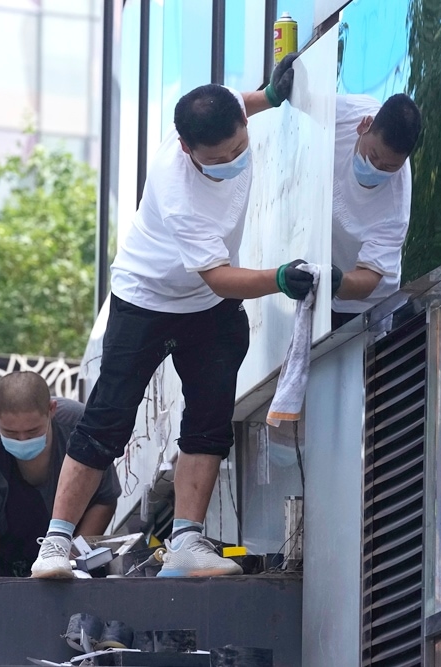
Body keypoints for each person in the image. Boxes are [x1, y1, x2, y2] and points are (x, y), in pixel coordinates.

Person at [30, 56, 316, 579]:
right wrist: (278, 278)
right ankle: (54, 545)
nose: (234, 158)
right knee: (107, 420)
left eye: (239, 146)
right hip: (146, 298)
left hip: (205, 310)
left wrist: (270, 98)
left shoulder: (225, 113)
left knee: (210, 417)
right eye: (220, 157)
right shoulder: (178, 188)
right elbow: (220, 277)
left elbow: (242, 104)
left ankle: (186, 542)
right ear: (187, 149)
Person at [0, 371, 120, 577]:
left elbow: (104, 500)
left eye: (32, 431)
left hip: (69, 551)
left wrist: (68, 564)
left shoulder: (82, 429)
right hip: (2, 561)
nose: (22, 439)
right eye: (10, 433)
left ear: (51, 409)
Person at [329, 93, 422, 329]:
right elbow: (305, 103)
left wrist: (336, 281)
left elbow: (368, 278)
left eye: (390, 166)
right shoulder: (348, 112)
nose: (376, 169)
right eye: (373, 156)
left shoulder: (395, 210)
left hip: (359, 305)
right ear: (365, 126)